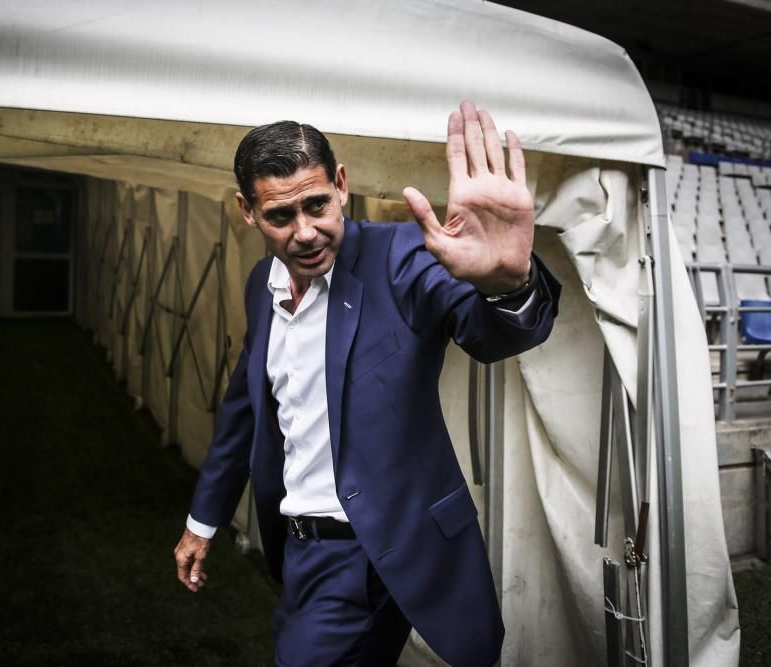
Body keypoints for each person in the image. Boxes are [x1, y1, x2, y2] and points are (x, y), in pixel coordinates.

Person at [173, 101, 561, 666]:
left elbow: (488, 335)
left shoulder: (402, 256)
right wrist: (201, 522)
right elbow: (245, 412)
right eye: (282, 216)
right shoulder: (262, 283)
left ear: (342, 185)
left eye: (317, 205)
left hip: (398, 545)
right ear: (247, 212)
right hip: (306, 554)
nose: (305, 232)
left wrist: (507, 285)